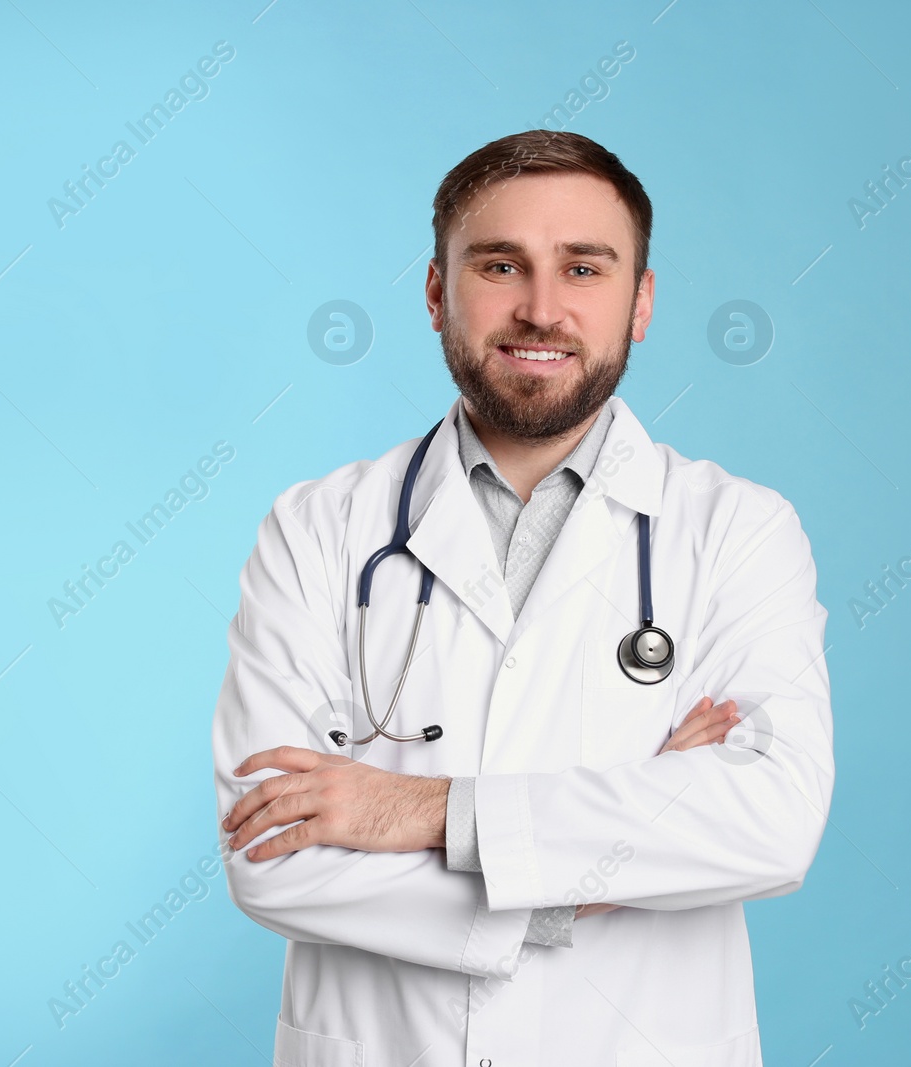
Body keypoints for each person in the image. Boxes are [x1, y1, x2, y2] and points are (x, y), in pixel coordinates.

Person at [212, 129, 834, 1066]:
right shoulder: (317, 529)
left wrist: (412, 811)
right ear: (436, 293)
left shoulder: (737, 531)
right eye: (501, 265)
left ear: (642, 303)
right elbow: (273, 856)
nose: (542, 309)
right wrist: (616, 853)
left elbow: (770, 822)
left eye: (584, 268)